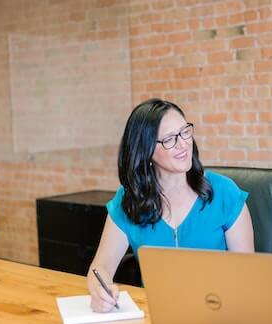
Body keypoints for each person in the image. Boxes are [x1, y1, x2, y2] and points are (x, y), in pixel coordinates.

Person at [88, 98, 254, 312]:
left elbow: (248, 277)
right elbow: (101, 267)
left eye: (185, 132)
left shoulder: (224, 193)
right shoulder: (129, 201)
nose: (183, 144)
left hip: (219, 314)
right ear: (145, 150)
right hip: (156, 319)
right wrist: (100, 291)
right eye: (169, 139)